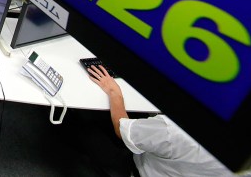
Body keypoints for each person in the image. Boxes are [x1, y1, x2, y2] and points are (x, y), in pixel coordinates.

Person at [88, 65, 233, 177]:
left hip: (136, 168)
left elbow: (122, 129)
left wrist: (114, 93)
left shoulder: (175, 131)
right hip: (178, 168)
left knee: (83, 128)